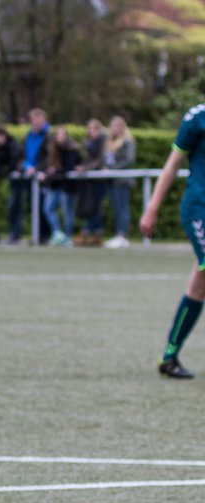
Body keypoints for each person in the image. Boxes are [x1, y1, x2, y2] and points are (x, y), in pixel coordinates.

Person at [141, 104, 204, 379]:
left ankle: (169, 356)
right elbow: (171, 166)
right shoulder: (197, 118)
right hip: (200, 209)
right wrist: (153, 207)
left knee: (199, 285)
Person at [7, 108, 50, 244]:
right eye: (34, 120)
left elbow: (48, 158)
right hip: (26, 176)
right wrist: (25, 167)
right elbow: (22, 156)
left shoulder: (48, 136)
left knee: (42, 208)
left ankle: (43, 236)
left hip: (40, 178)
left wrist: (36, 169)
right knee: (20, 205)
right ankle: (18, 235)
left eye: (39, 120)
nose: (36, 123)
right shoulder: (28, 136)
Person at [41, 125, 81, 247]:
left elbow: (69, 167)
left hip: (68, 187)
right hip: (55, 185)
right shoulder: (53, 150)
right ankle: (58, 233)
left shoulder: (72, 150)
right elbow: (47, 164)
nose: (60, 137)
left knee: (67, 213)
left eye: (62, 135)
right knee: (47, 209)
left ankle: (68, 237)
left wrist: (56, 171)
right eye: (58, 135)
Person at [102, 116, 137, 249]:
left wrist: (111, 169)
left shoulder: (128, 141)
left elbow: (129, 160)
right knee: (116, 208)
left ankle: (123, 235)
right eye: (112, 126)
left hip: (122, 180)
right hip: (111, 180)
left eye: (116, 126)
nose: (113, 129)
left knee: (123, 208)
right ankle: (119, 234)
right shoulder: (110, 141)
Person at [74, 118, 107, 247]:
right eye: (90, 128)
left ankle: (85, 232)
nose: (91, 131)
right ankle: (97, 234)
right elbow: (86, 158)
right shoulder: (88, 142)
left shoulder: (104, 141)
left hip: (99, 179)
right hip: (89, 181)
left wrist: (86, 168)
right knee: (93, 208)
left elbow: (100, 159)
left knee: (95, 208)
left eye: (94, 128)